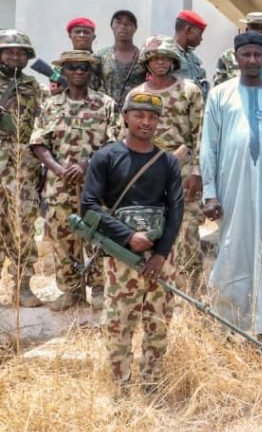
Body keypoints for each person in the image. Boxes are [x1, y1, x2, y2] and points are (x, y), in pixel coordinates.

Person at [80, 91, 184, 394]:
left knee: (158, 323)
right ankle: (121, 388)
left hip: (160, 258)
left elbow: (175, 209)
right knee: (118, 324)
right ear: (125, 116)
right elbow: (88, 206)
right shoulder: (106, 157)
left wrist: (161, 254)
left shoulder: (166, 162)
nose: (146, 122)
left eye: (152, 117)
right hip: (121, 258)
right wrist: (127, 236)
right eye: (139, 115)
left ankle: (152, 384)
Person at [200, 32, 262, 340]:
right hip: (232, 187)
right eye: (246, 55)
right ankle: (229, 325)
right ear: (237, 58)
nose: (252, 60)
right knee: (232, 253)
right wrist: (210, 193)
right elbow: (208, 145)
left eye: (258, 55)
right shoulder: (220, 95)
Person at [31, 50, 118, 311]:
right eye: (72, 67)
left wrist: (87, 165)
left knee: (98, 237)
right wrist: (58, 169)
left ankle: (100, 289)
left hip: (97, 185)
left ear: (91, 73)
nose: (79, 71)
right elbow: (38, 142)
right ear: (64, 72)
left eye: (84, 67)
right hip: (59, 187)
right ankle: (71, 291)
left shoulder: (106, 104)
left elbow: (114, 144)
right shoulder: (50, 104)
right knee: (62, 239)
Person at [124, 35, 205, 290]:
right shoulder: (136, 94)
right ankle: (155, 288)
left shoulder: (189, 90)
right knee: (148, 230)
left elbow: (200, 135)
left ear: (174, 61)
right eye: (155, 58)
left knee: (187, 231)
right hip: (145, 173)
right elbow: (123, 137)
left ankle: (192, 293)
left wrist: (197, 171)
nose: (160, 62)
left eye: (165, 58)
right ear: (147, 62)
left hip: (182, 172)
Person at [0, 30, 45, 307]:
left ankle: (23, 286)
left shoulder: (33, 87)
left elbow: (42, 125)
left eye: (20, 53)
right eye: (9, 52)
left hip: (22, 165)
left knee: (24, 225)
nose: (15, 57)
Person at [96, 10, 145, 106]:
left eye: (128, 24)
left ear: (135, 28)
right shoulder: (100, 56)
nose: (123, 27)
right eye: (118, 23)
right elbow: (93, 87)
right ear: (112, 26)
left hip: (136, 111)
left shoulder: (143, 57)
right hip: (107, 112)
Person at [214, 11, 262, 87]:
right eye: (254, 27)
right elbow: (218, 86)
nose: (258, 32)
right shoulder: (228, 56)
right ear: (247, 30)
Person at [173, 10, 210, 98]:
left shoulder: (193, 58)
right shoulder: (166, 55)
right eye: (200, 34)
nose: (201, 38)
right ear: (188, 30)